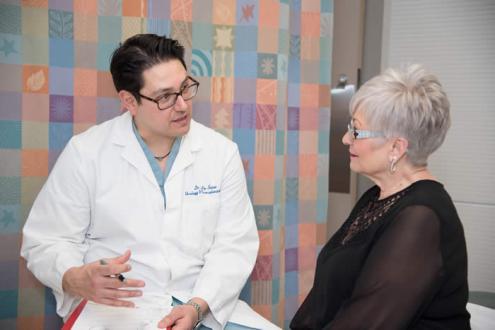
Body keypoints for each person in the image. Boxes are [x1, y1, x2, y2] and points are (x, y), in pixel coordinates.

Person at [21, 34, 279, 330]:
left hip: (200, 303)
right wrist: (74, 277)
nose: (182, 105)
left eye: (184, 89)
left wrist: (197, 306)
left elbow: (234, 245)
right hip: (117, 310)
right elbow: (46, 241)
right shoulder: (87, 153)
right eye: (165, 96)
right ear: (129, 101)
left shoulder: (220, 153)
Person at [290, 64, 471, 329]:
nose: (344, 139)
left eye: (355, 130)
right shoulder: (377, 196)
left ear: (396, 147)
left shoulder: (422, 218)